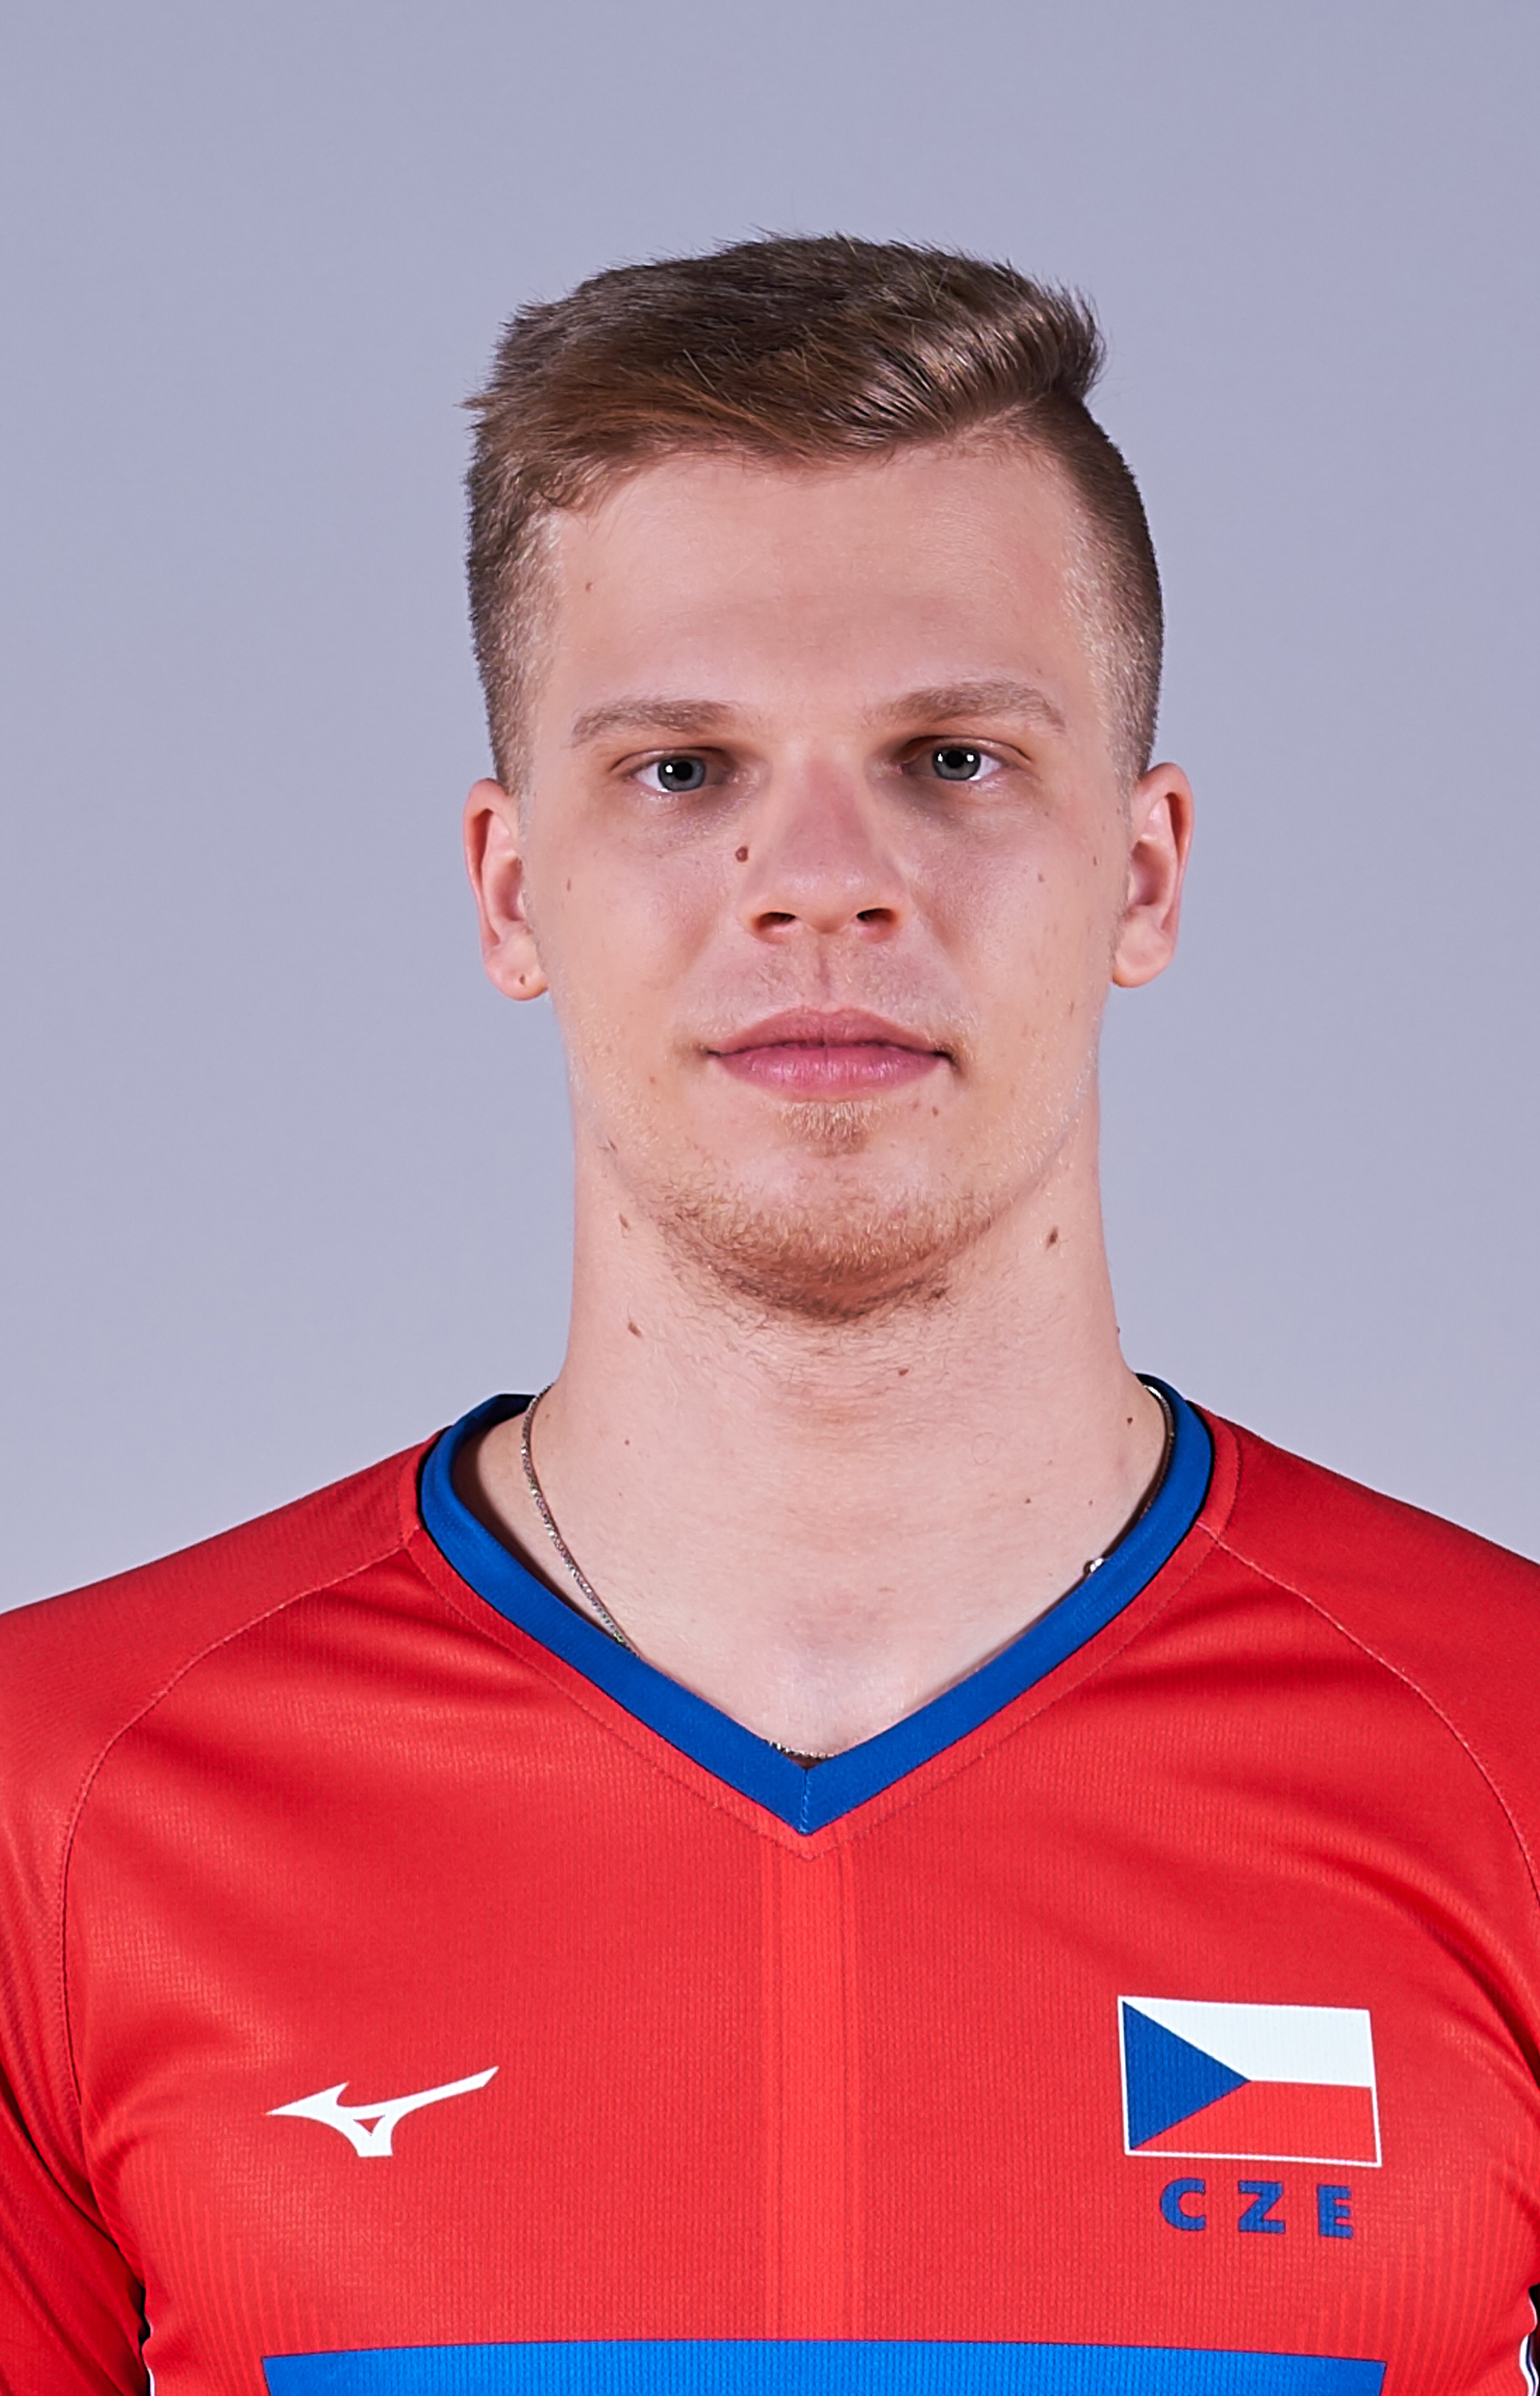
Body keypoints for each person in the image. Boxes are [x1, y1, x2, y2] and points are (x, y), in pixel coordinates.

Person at [1, 235, 1536, 2396]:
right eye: (683, 768)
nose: (822, 878)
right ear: (510, 887)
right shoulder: (64, 1798)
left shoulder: (1505, 1748)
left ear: (1149, 867)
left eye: (954, 755)